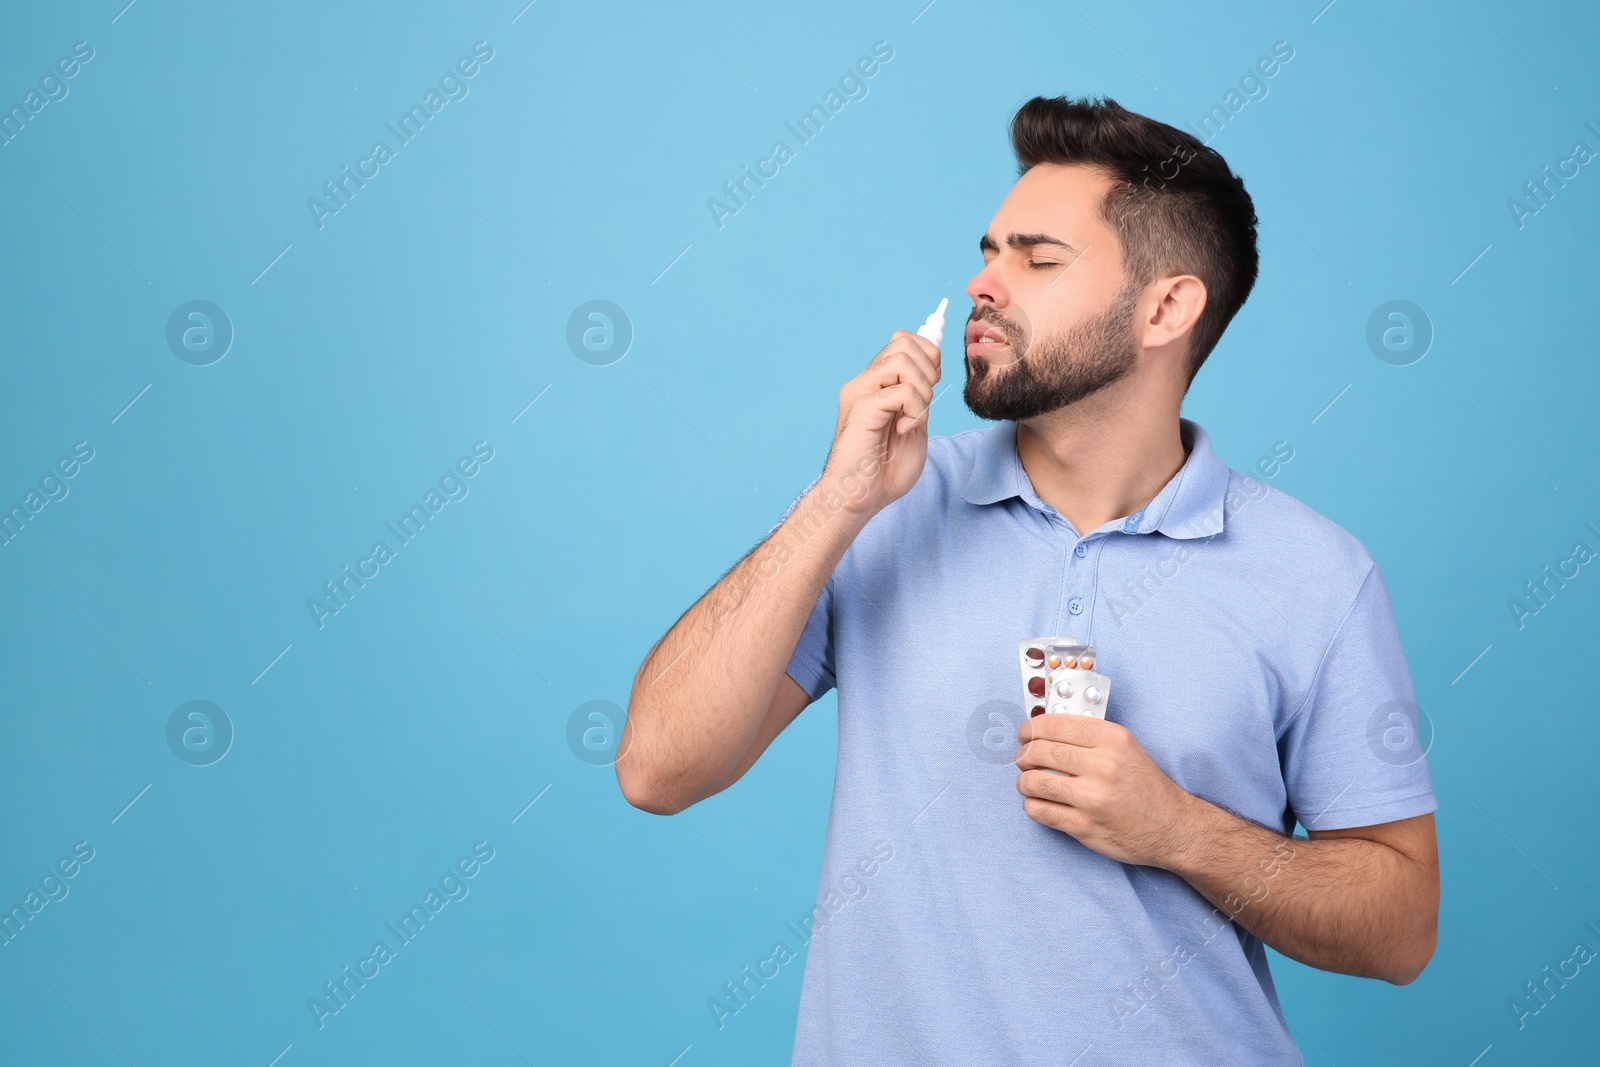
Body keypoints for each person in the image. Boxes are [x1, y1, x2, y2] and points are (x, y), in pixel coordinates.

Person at [618, 94, 1439, 1065]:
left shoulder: (1314, 576)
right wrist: (837, 500)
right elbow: (656, 766)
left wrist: (1177, 828)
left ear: (1165, 308)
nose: (981, 283)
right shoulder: (888, 507)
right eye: (989, 250)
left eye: (1036, 258)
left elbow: (1400, 928)